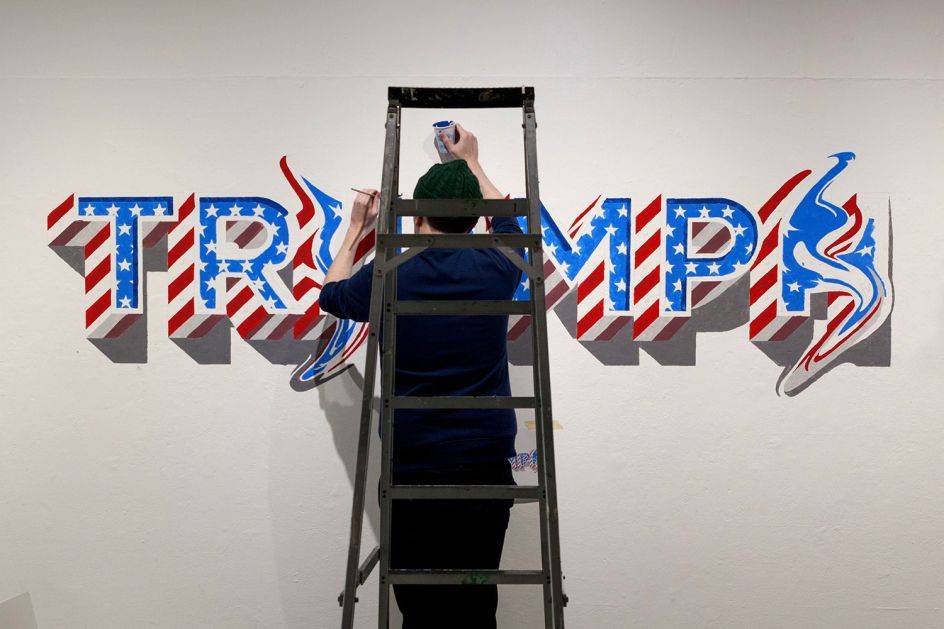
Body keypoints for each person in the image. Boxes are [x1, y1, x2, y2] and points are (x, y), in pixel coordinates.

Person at [319, 124, 523, 629]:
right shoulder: (498, 265)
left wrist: (357, 228)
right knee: (476, 601)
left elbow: (332, 294)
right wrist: (471, 162)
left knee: (419, 605)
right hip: (483, 460)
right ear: (475, 218)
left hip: (413, 462)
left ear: (417, 216)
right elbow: (511, 221)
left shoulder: (392, 272)